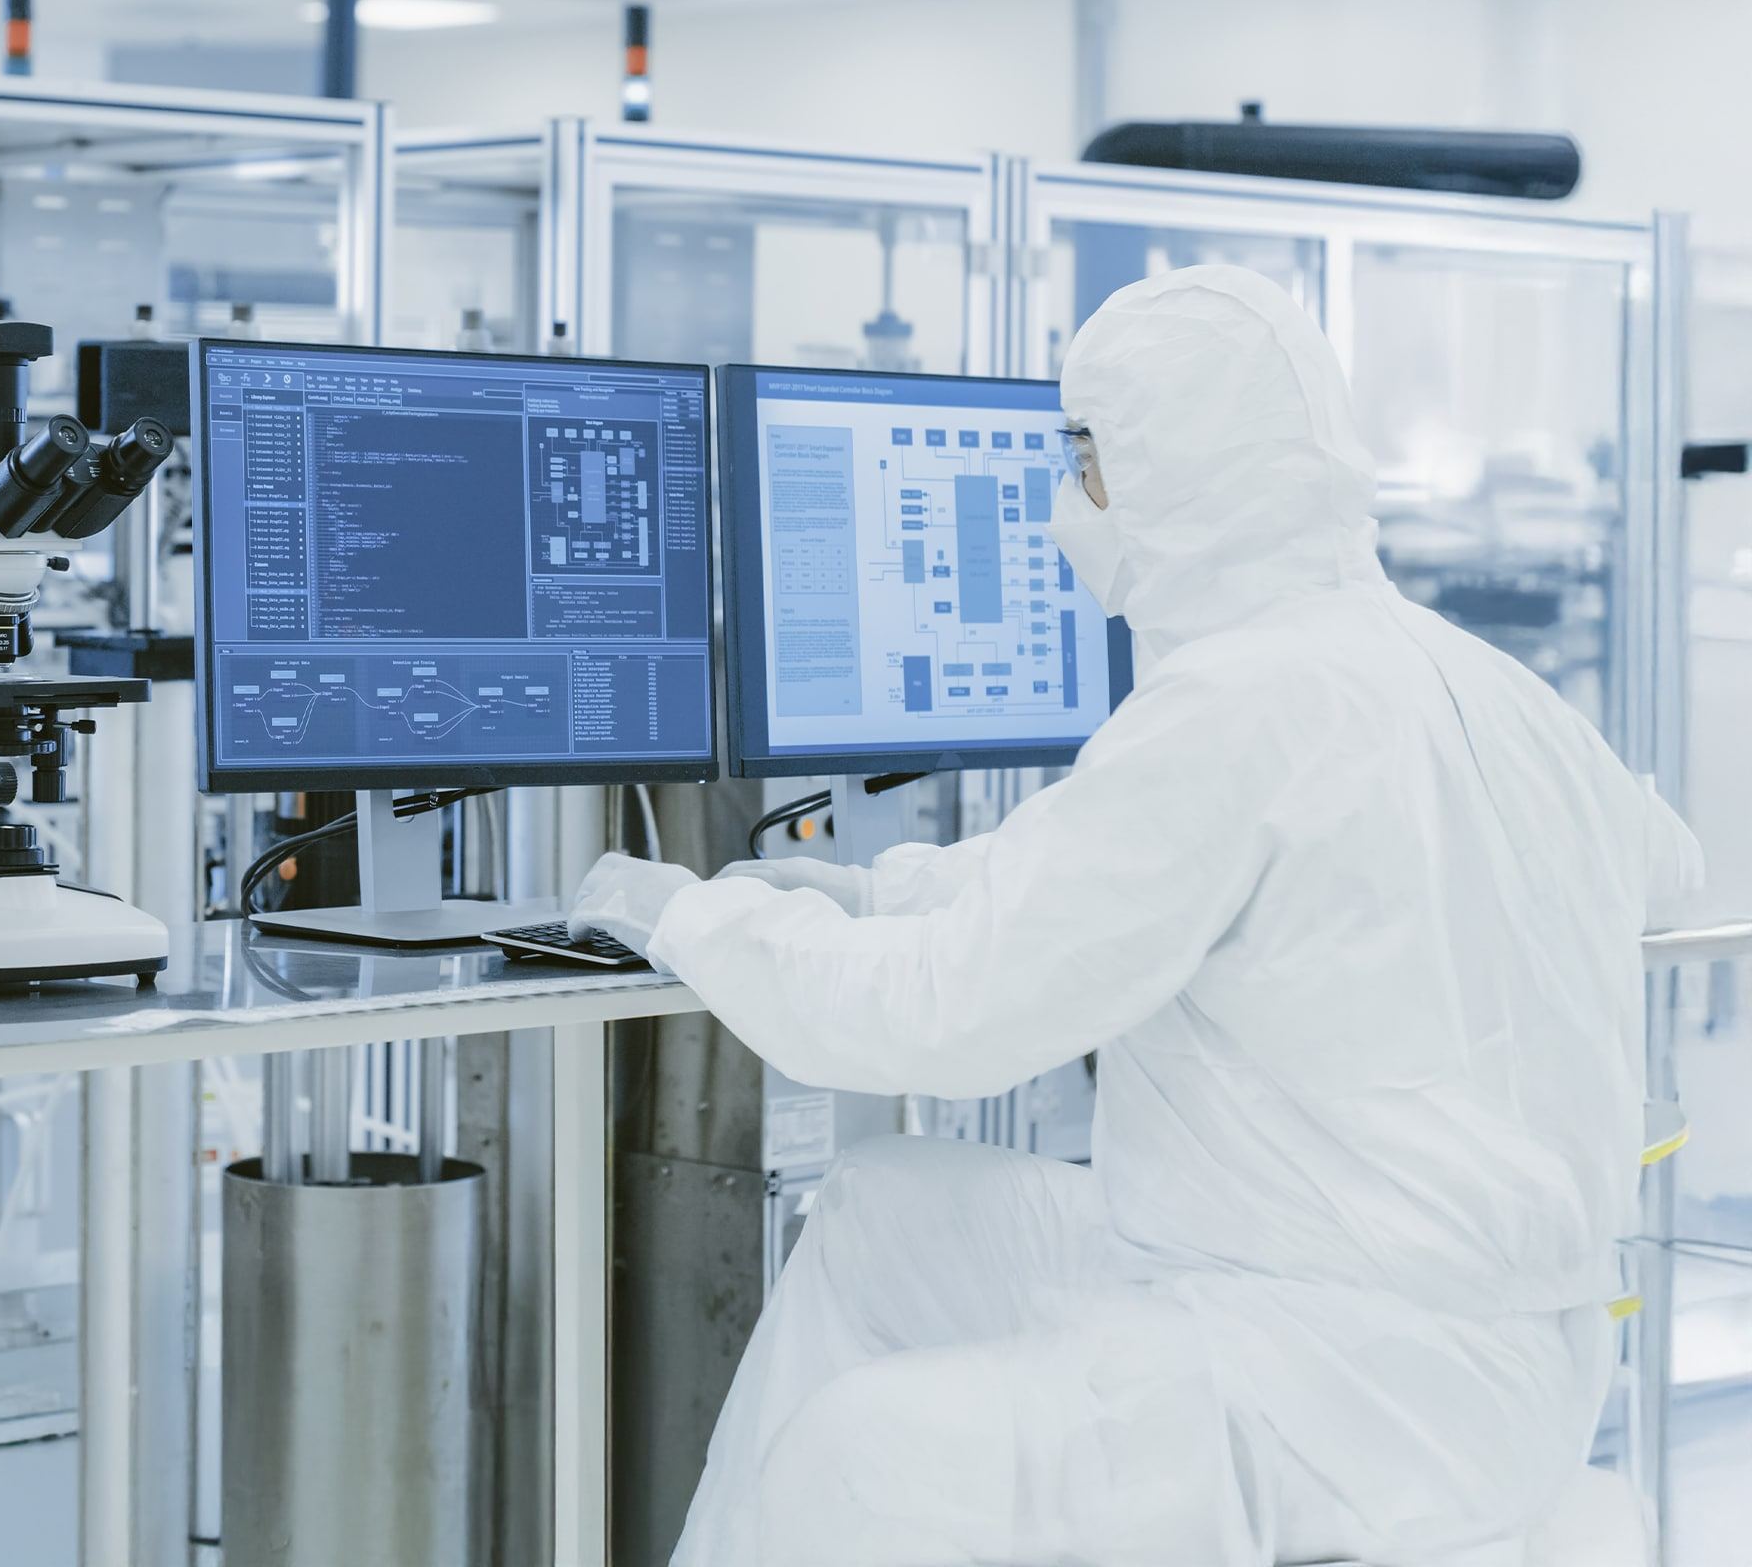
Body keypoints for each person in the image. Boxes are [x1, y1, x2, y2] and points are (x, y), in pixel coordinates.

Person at [571, 265, 1703, 1567]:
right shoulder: (1470, 681)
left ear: (1188, 473)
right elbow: (1661, 864)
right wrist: (876, 891)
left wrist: (688, 921)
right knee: (885, 1214)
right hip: (1443, 1327)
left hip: (1364, 1372)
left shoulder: (1242, 704)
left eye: (1088, 459)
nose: (1069, 506)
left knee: (866, 1452)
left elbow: (939, 1022)